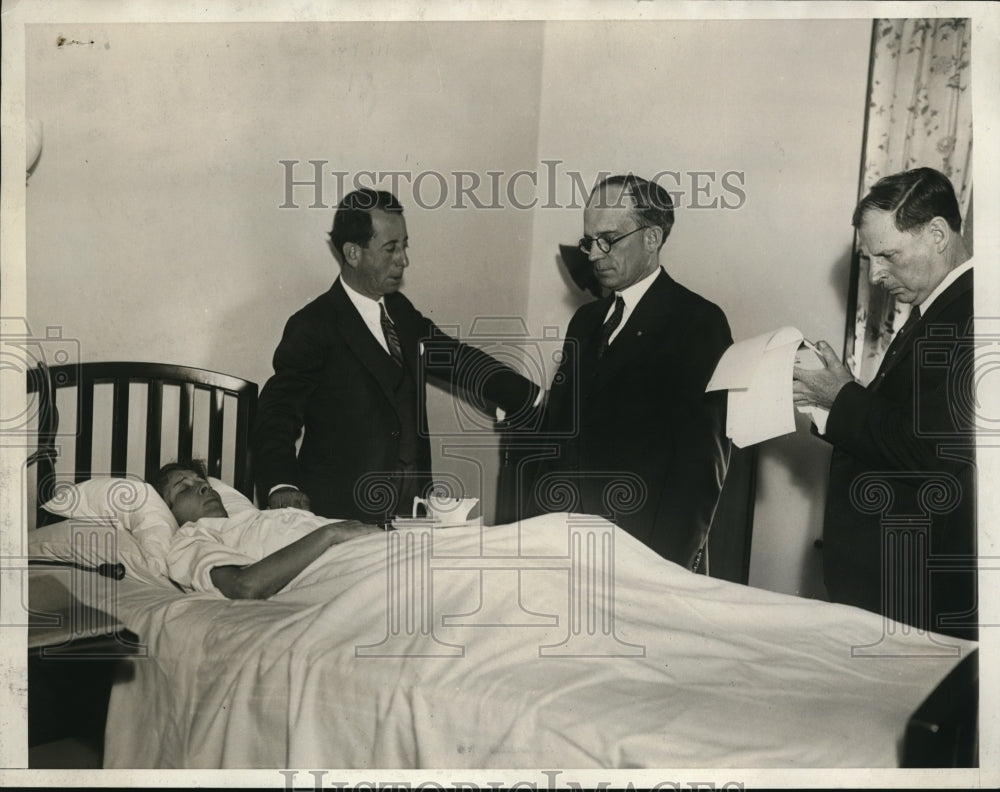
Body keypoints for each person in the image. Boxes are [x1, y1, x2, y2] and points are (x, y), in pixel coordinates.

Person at [253, 189, 541, 522]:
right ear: (353, 253)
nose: (403, 259)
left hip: (412, 515)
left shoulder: (401, 312)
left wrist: (530, 395)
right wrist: (281, 484)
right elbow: (277, 413)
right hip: (341, 518)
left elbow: (455, 358)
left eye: (404, 245)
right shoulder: (313, 325)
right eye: (391, 248)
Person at [793, 167, 976, 640]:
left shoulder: (977, 312)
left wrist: (842, 397)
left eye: (888, 256)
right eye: (870, 259)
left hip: (919, 589)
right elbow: (903, 424)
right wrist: (828, 400)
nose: (875, 275)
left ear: (937, 234)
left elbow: (936, 453)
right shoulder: (936, 308)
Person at [528, 174, 733, 570]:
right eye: (589, 241)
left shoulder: (697, 322)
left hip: (644, 554)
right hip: (568, 545)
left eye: (609, 239)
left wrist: (668, 570)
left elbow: (701, 464)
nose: (592, 254)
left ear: (652, 238)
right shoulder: (586, 321)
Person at [155, 460, 382, 599]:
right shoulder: (190, 539)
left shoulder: (255, 518)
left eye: (200, 481)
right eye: (183, 488)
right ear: (167, 511)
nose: (204, 486)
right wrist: (329, 534)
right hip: (363, 573)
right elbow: (244, 586)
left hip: (378, 550)